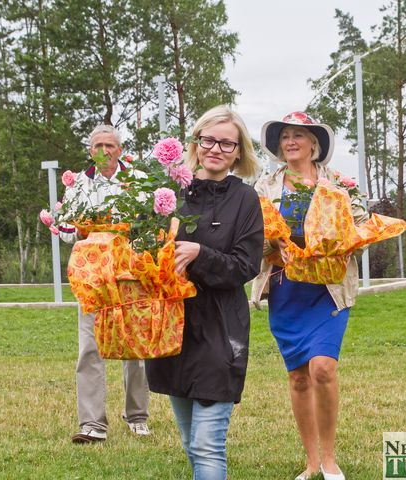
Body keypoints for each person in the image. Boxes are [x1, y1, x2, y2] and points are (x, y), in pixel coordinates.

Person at [145, 105, 264, 480]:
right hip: (173, 329)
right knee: (190, 442)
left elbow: (246, 265)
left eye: (227, 143)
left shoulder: (245, 199)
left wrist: (200, 254)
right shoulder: (169, 194)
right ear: (195, 143)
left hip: (220, 330)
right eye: (208, 140)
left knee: (206, 445)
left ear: (239, 152)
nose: (216, 148)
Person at [250, 112, 368, 480]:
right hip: (287, 290)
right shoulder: (264, 187)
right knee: (299, 377)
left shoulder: (340, 185)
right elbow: (253, 237)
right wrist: (274, 247)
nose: (290, 141)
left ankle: (330, 460)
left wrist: (338, 245)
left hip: (328, 290)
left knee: (323, 368)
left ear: (314, 144)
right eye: (285, 136)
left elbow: (362, 231)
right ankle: (312, 462)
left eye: (298, 135)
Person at [59, 124, 150, 443]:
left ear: (120, 150)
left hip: (129, 273)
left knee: (133, 345)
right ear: (90, 151)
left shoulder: (138, 180)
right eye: (98, 145)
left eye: (109, 145)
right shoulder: (78, 184)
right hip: (92, 276)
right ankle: (92, 423)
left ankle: (137, 415)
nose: (104, 150)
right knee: (90, 347)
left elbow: (151, 223)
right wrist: (77, 230)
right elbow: (65, 229)